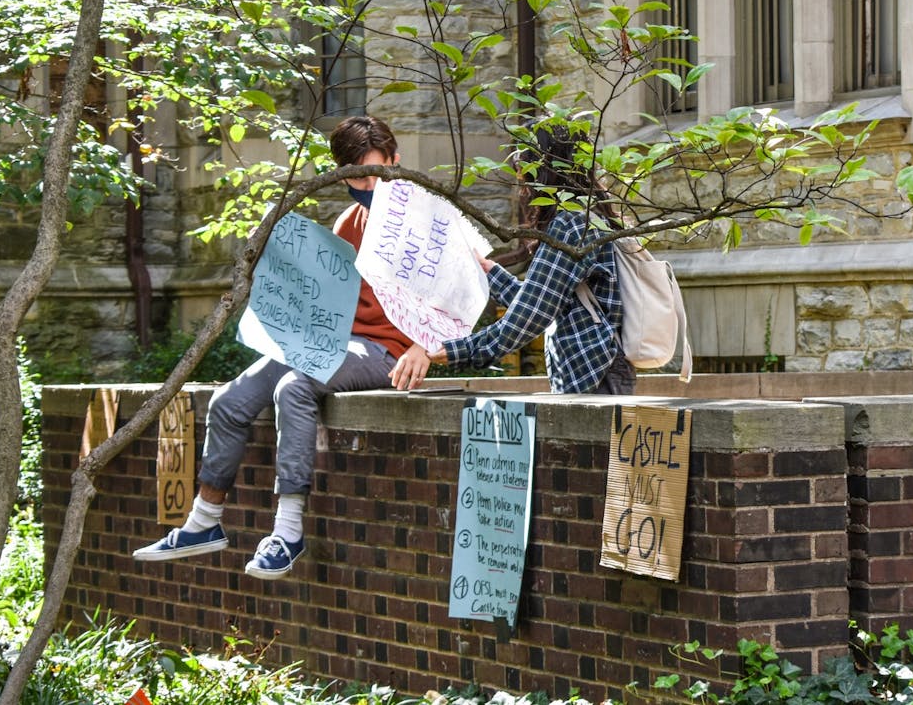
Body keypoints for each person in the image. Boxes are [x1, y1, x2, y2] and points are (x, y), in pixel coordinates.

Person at [133, 116, 414, 580]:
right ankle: (205, 522)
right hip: (337, 343)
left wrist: (425, 346)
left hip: (388, 352)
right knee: (229, 400)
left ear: (395, 162)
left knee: (294, 387)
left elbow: (456, 294)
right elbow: (323, 297)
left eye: (375, 173)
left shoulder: (421, 224)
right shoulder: (349, 222)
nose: (366, 185)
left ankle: (287, 531)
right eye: (355, 176)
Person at [388, 123, 635, 395]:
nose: (520, 176)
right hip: (595, 373)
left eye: (523, 163)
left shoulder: (571, 226)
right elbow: (542, 300)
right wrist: (489, 272)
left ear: (543, 168)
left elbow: (527, 318)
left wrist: (458, 350)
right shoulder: (583, 217)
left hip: (596, 376)